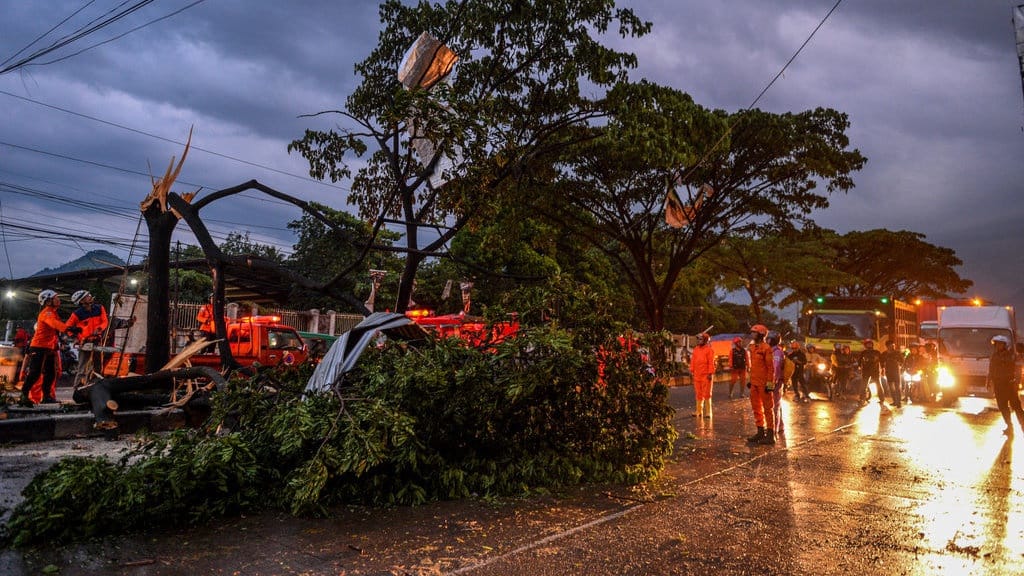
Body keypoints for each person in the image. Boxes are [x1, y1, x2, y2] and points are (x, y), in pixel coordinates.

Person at [20, 289, 74, 405]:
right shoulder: (47, 313)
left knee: (50, 373)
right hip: (39, 347)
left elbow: (58, 327)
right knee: (35, 372)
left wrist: (71, 330)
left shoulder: (53, 312)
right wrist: (68, 329)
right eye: (56, 298)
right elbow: (54, 324)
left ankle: (46, 397)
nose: (58, 300)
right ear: (48, 301)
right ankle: (23, 395)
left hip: (48, 348)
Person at [745, 324, 776, 445]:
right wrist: (751, 381)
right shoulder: (752, 347)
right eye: (752, 332)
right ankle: (760, 431)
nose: (752, 334)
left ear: (761, 334)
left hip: (764, 384)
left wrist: (770, 384)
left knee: (768, 409)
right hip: (754, 383)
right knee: (756, 408)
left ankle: (770, 434)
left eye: (755, 333)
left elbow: (770, 368)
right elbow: (753, 367)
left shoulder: (766, 348)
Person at [988, 335, 1024, 436]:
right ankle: (1009, 426)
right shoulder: (994, 356)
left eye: (1001, 344)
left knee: (1016, 406)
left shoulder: (1012, 356)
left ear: (1005, 345)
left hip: (1010, 384)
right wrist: (989, 380)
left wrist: (1017, 382)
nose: (998, 346)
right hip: (999, 385)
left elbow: (1018, 369)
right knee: (1002, 406)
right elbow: (991, 369)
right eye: (997, 344)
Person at [689, 332, 715, 419]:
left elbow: (711, 363)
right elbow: (693, 360)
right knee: (698, 393)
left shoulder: (709, 350)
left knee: (707, 394)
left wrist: (710, 373)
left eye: (701, 339)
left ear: (705, 340)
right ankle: (698, 411)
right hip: (697, 375)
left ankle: (708, 412)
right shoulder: (696, 349)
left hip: (706, 375)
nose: (699, 341)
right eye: (698, 339)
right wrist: (691, 370)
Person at [769, 331, 787, 437]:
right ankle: (780, 426)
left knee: (773, 405)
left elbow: (775, 369)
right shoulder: (774, 351)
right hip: (775, 381)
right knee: (777, 405)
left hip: (774, 381)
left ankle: (773, 429)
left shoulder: (776, 352)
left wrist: (770, 384)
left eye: (768, 339)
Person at [858, 339, 885, 404]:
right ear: (865, 345)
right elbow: (859, 361)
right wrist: (859, 366)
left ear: (872, 345)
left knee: (878, 385)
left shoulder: (877, 352)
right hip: (865, 371)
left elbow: (881, 361)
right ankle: (862, 399)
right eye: (867, 344)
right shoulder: (863, 353)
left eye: (870, 344)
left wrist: (883, 368)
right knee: (864, 385)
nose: (869, 345)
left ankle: (882, 399)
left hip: (875, 371)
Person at [881, 340, 904, 407]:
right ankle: (894, 401)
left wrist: (899, 365)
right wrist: (883, 369)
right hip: (888, 372)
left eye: (893, 345)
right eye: (891, 345)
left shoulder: (897, 352)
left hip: (896, 372)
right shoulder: (884, 353)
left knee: (897, 387)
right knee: (891, 388)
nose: (892, 346)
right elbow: (881, 361)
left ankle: (898, 402)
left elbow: (902, 360)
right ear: (887, 346)